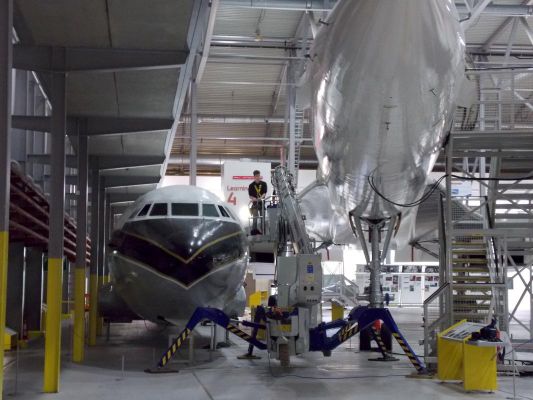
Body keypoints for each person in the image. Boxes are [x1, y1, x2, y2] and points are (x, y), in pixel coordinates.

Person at [248, 170, 267, 235]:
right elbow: (250, 196)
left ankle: (263, 233)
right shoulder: (251, 185)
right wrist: (253, 198)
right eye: (256, 176)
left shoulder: (264, 184)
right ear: (254, 176)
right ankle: (254, 233)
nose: (258, 177)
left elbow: (264, 193)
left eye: (258, 176)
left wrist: (260, 198)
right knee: (255, 219)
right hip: (255, 204)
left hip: (262, 203)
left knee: (263, 220)